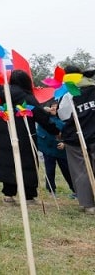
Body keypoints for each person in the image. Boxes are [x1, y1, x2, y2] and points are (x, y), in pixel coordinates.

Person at [0, 69, 59, 204]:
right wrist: (55, 130)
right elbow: (40, 116)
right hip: (24, 136)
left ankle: (8, 194)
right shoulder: (26, 97)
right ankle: (28, 196)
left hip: (4, 136)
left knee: (8, 163)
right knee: (27, 164)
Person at [57, 64, 95, 214]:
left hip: (77, 138)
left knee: (81, 170)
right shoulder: (93, 87)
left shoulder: (68, 94)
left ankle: (89, 205)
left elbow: (64, 116)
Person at [37, 100, 75, 197]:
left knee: (67, 170)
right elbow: (37, 112)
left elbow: (69, 135)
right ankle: (51, 190)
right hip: (48, 149)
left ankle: (75, 190)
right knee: (50, 170)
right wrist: (44, 110)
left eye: (56, 107)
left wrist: (64, 143)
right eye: (52, 106)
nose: (54, 108)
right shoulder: (44, 119)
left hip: (60, 150)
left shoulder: (63, 121)